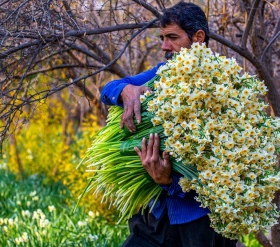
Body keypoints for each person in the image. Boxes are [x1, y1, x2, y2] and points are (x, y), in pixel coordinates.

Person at [101, 2, 237, 247]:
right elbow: (108, 89)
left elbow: (223, 174)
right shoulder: (163, 73)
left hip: (201, 223)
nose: (164, 46)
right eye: (162, 38)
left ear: (198, 37)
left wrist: (170, 182)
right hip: (155, 216)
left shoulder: (224, 90)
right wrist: (126, 90)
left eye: (172, 37)